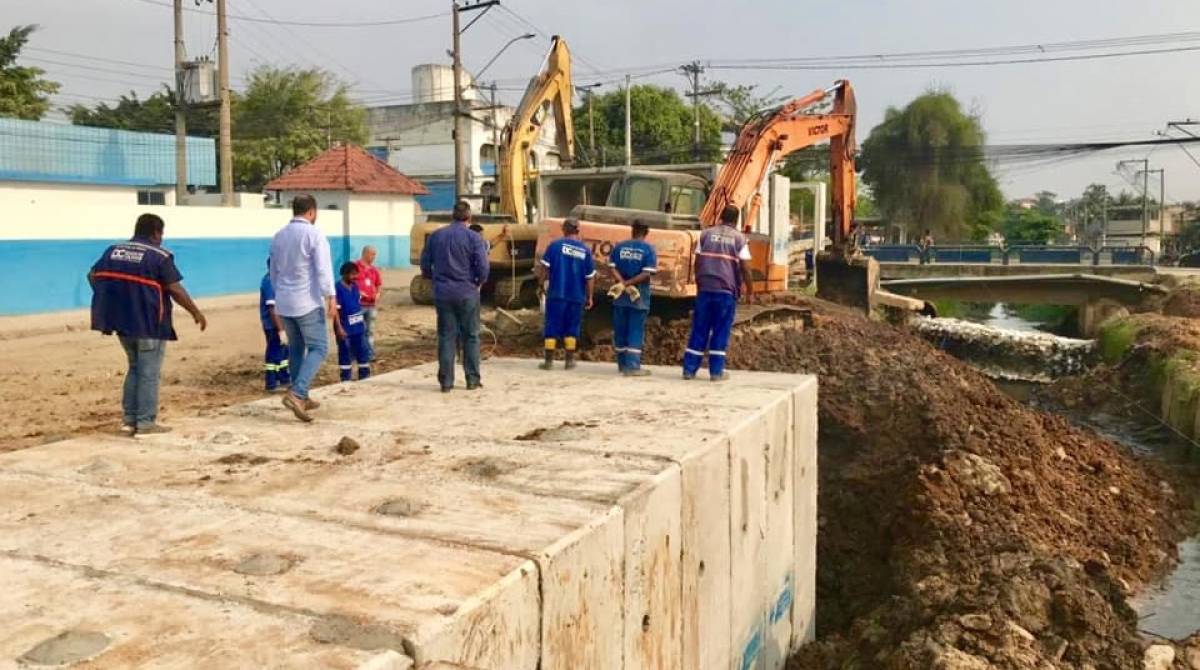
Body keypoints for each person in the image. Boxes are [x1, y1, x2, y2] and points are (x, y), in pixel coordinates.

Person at [89, 213, 207, 437]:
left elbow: (92, 275)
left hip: (121, 322)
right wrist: (196, 312)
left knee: (134, 368)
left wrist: (112, 298)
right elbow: (175, 289)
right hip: (150, 323)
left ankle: (128, 422)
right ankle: (145, 423)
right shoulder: (160, 256)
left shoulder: (113, 251)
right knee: (149, 373)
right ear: (156, 233)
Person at [269, 194, 336, 422]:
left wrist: (280, 294)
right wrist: (331, 297)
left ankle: (302, 395)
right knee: (319, 348)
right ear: (312, 212)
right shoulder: (314, 234)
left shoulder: (279, 236)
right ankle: (298, 393)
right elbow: (323, 269)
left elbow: (274, 272)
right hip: (307, 301)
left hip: (285, 301)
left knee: (296, 349)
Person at [421, 201, 489, 392]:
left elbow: (425, 264)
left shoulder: (436, 236)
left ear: (452, 216)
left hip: (443, 293)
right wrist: (478, 282)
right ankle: (472, 379)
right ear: (469, 217)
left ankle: (446, 382)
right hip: (467, 292)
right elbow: (483, 267)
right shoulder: (474, 238)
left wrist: (433, 279)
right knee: (471, 336)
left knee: (446, 337)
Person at [683, 204, 753, 382]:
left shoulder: (705, 234)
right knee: (721, 330)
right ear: (736, 220)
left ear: (721, 216)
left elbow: (697, 261)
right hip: (725, 291)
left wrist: (699, 281)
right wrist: (750, 291)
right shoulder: (740, 239)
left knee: (699, 328)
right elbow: (746, 268)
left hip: (705, 288)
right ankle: (716, 372)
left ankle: (689, 370)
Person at [536, 218, 596, 370]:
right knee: (572, 326)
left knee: (552, 325)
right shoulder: (585, 250)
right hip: (577, 296)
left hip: (557, 293)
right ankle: (569, 361)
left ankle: (549, 361)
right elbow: (590, 277)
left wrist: (540, 285)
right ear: (578, 230)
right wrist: (589, 296)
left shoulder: (554, 246)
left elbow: (545, 269)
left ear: (563, 230)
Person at [608, 220, 657, 376]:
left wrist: (622, 284)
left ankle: (622, 364)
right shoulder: (648, 250)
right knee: (635, 330)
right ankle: (632, 366)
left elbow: (612, 268)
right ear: (646, 232)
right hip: (638, 298)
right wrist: (629, 283)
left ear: (632, 231)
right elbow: (646, 273)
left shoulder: (620, 247)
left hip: (620, 296)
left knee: (620, 329)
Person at [335, 262, 371, 382]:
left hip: (358, 327)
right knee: (345, 354)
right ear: (344, 274)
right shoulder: (338, 289)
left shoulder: (355, 287)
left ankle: (364, 377)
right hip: (345, 329)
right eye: (352, 274)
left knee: (363, 352)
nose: (355, 277)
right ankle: (346, 379)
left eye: (356, 274)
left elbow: (357, 304)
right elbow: (335, 311)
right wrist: (339, 328)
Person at [259, 259, 290, 392]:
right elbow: (272, 309)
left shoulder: (278, 281)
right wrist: (281, 330)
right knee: (273, 353)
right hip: (273, 325)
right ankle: (271, 383)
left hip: (281, 323)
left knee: (283, 353)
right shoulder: (269, 282)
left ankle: (283, 378)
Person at [354, 245, 382, 362]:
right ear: (365, 253)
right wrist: (358, 292)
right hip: (358, 305)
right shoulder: (355, 267)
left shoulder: (374, 270)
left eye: (375, 254)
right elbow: (348, 282)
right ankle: (359, 354)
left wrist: (378, 294)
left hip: (371, 306)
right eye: (372, 254)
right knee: (358, 331)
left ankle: (369, 355)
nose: (374, 257)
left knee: (369, 331)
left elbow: (378, 284)